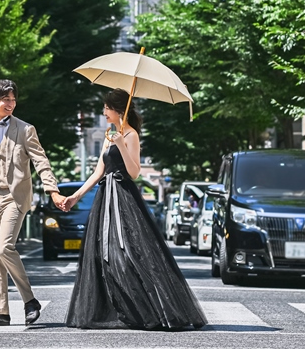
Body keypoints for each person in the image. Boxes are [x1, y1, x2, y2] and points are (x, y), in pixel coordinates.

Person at [64, 89, 207, 331]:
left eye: (107, 108)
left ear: (119, 110)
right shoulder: (110, 134)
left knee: (128, 253)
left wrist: (122, 144)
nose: (103, 112)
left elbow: (134, 172)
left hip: (123, 198)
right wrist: (75, 197)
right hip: (105, 199)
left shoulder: (130, 135)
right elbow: (98, 172)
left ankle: (149, 309)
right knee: (103, 254)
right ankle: (120, 310)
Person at [0, 79, 68, 327]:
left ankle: (29, 300)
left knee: (4, 248)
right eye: (6, 100)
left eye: (13, 99)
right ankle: (0, 311)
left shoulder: (25, 129)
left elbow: (41, 161)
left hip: (16, 197)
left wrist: (52, 190)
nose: (11, 104)